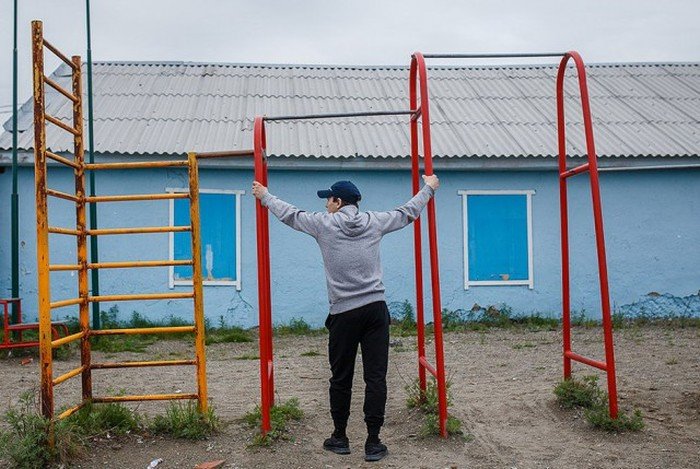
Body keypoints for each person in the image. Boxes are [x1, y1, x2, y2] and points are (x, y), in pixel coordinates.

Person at [252, 174, 439, 462]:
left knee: (341, 377)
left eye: (328, 199)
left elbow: (290, 215)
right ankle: (373, 442)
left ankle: (339, 437)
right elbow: (407, 212)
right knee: (375, 377)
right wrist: (429, 188)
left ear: (338, 202)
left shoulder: (323, 224)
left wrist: (265, 196)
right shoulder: (375, 221)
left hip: (344, 313)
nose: (326, 204)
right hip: (375, 309)